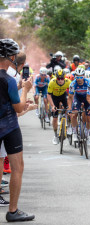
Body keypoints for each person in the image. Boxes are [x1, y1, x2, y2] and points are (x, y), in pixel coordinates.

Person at [0, 38, 35, 222]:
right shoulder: (8, 79)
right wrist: (25, 89)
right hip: (9, 127)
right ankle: (12, 211)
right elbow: (19, 108)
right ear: (12, 57)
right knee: (17, 168)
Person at [67, 67, 90, 144]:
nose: (79, 79)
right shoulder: (73, 84)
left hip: (87, 98)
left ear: (83, 76)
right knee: (74, 115)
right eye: (77, 77)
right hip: (77, 98)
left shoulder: (88, 82)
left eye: (81, 77)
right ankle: (74, 132)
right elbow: (70, 97)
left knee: (89, 117)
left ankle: (88, 133)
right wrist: (69, 108)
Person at [47, 69, 71, 145]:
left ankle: (69, 126)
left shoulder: (68, 82)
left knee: (70, 111)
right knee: (54, 118)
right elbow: (48, 95)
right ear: (56, 78)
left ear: (64, 78)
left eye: (62, 78)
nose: (60, 80)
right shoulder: (52, 82)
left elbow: (71, 94)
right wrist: (52, 106)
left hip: (63, 96)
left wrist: (70, 106)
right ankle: (55, 135)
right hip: (54, 98)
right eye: (58, 79)